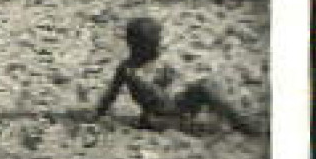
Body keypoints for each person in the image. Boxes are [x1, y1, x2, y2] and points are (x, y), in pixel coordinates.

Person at [93, 17, 260, 135]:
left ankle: (239, 121)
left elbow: (167, 86)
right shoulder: (128, 70)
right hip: (157, 117)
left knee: (207, 86)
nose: (157, 48)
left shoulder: (151, 62)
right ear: (137, 46)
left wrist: (167, 80)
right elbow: (110, 95)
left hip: (174, 106)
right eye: (153, 45)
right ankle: (242, 124)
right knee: (204, 96)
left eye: (157, 44)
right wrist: (96, 114)